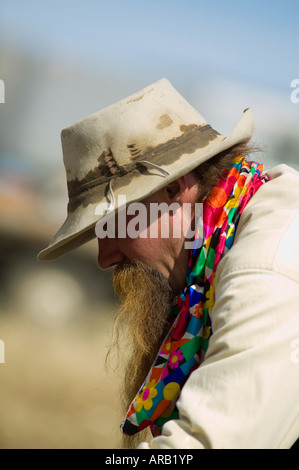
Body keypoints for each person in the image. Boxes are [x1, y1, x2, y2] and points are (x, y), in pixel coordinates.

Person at [38, 78, 299, 449]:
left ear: (175, 190)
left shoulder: (268, 267)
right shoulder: (231, 244)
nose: (104, 257)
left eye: (111, 223)